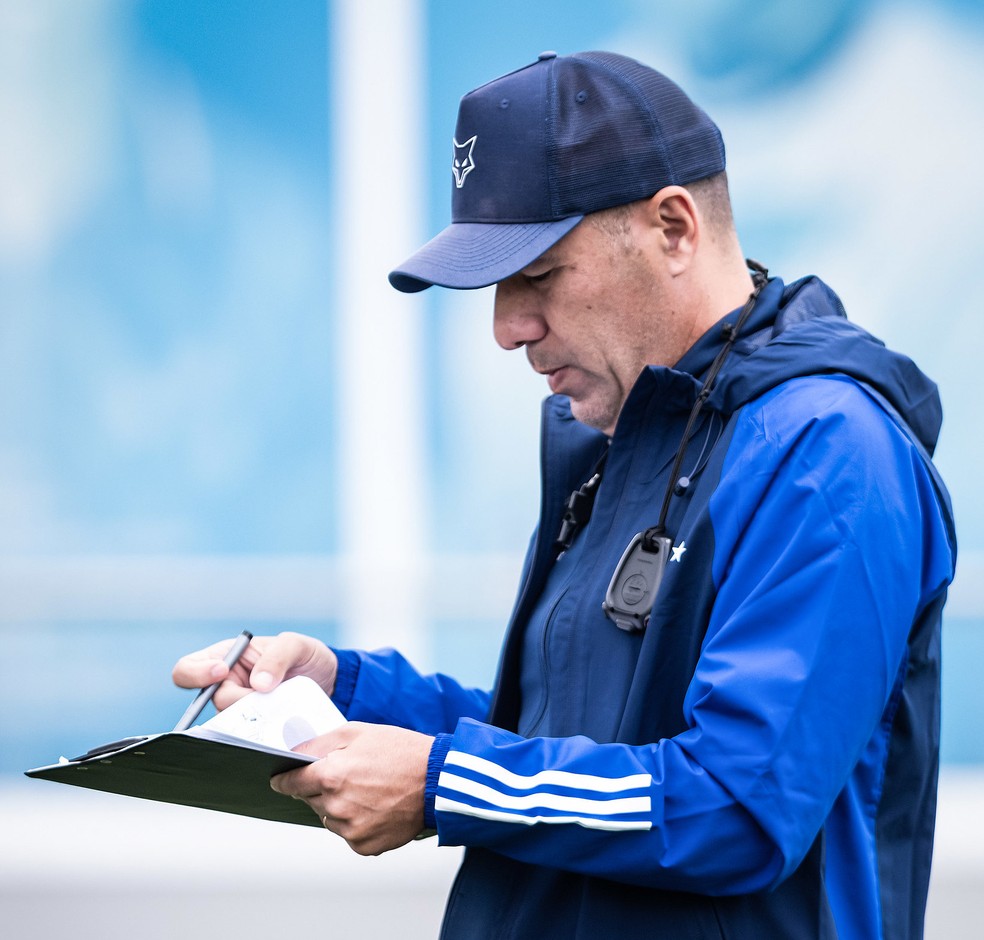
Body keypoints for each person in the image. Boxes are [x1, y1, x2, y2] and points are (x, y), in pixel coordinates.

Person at [173, 51, 956, 939]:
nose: (508, 328)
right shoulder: (619, 433)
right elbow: (569, 742)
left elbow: (736, 806)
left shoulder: (828, 452)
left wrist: (437, 784)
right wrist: (346, 694)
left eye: (538, 276)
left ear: (673, 228)